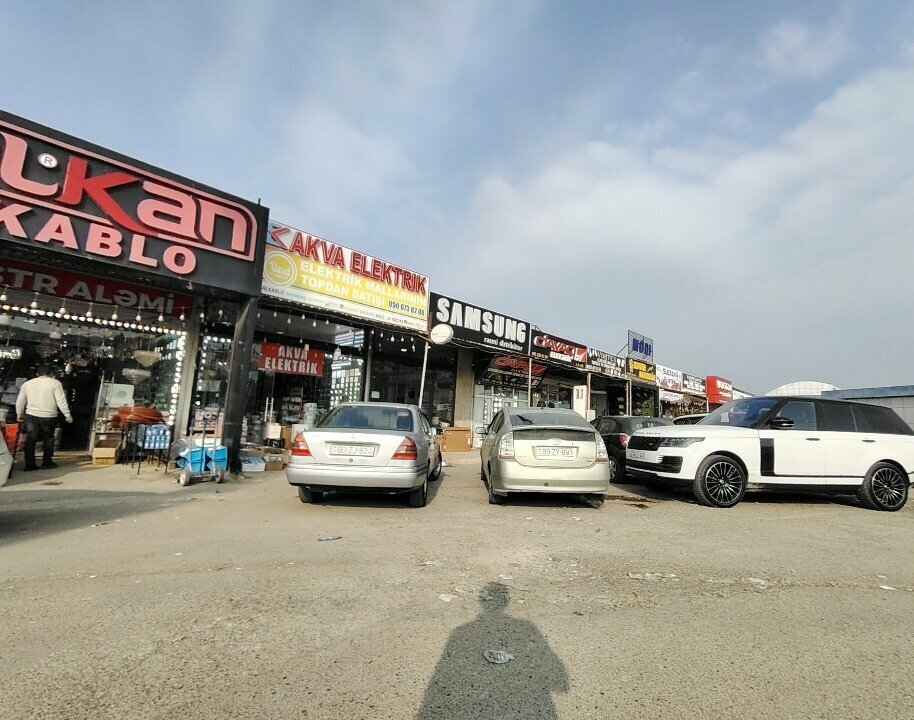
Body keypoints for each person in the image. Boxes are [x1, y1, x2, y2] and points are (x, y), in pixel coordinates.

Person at [15, 365, 73, 471]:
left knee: (31, 439)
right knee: (49, 438)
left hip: (31, 415)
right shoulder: (55, 383)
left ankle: (30, 464)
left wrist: (19, 413)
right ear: (50, 374)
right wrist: (67, 414)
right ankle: (47, 462)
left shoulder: (28, 384)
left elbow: (20, 400)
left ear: (37, 374)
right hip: (49, 415)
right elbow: (61, 400)